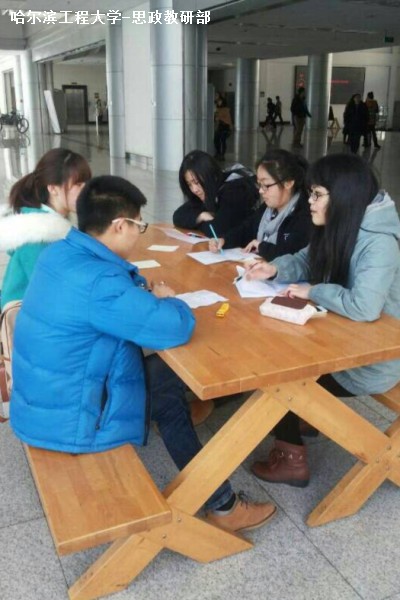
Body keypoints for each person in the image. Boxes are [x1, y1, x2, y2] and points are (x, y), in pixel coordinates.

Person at [10, 175, 276, 533]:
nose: (139, 232)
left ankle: (217, 494)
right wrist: (169, 300)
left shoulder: (60, 253)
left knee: (165, 390)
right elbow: (174, 328)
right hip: (73, 416)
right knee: (168, 385)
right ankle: (223, 506)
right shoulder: (100, 283)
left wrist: (137, 293)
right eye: (139, 225)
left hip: (44, 398)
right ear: (119, 225)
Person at [244, 153, 400, 487]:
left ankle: (291, 459)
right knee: (273, 347)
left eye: (317, 194)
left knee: (279, 374)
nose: (310, 202)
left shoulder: (379, 243)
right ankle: (302, 417)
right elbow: (306, 259)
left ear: (342, 196)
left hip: (373, 360)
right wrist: (274, 269)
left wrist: (314, 291)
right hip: (342, 338)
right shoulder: (342, 222)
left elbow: (364, 307)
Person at [0, 148, 92, 310]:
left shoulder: (53, 226)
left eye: (87, 183)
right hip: (23, 319)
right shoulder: (37, 234)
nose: (86, 190)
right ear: (53, 188)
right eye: (78, 184)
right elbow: (51, 292)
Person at [208, 149, 312, 261]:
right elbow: (246, 229)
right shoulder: (268, 208)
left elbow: (292, 256)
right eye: (260, 185)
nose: (261, 191)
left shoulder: (304, 215)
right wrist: (224, 240)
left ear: (288, 183)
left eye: (266, 185)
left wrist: (262, 247)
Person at [173, 150, 259, 237]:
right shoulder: (210, 190)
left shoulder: (235, 190)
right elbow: (178, 215)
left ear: (209, 175)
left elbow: (217, 231)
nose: (194, 189)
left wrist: (198, 222)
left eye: (196, 182)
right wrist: (201, 216)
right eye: (189, 184)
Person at [213, 96, 233, 160]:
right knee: (216, 140)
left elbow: (228, 119)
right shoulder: (218, 109)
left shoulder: (225, 109)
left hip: (225, 127)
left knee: (222, 141)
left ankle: (222, 155)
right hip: (220, 127)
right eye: (218, 101)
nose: (219, 102)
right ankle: (218, 153)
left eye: (220, 101)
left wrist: (218, 117)